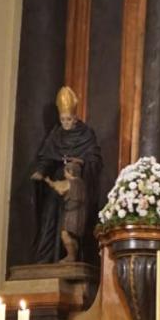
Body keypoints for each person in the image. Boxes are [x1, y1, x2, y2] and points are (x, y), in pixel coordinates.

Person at [29, 86, 102, 264]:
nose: (66, 123)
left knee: (71, 225)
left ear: (75, 117)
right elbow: (46, 156)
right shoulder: (56, 134)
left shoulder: (86, 134)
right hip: (57, 183)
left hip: (77, 185)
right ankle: (46, 259)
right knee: (50, 220)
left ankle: (72, 256)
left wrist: (81, 163)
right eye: (63, 119)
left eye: (69, 119)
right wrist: (41, 171)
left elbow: (95, 159)